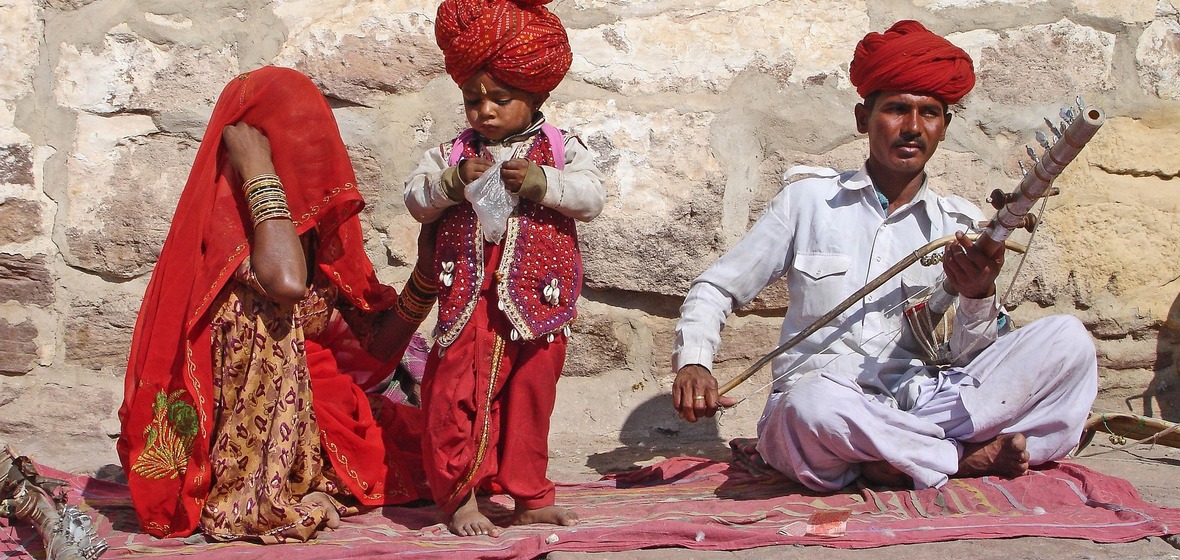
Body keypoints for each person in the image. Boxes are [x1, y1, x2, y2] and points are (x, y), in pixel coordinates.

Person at [671, 20, 1098, 492]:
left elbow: (971, 360)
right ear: (862, 119)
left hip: (921, 403)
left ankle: (891, 457)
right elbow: (717, 287)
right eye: (896, 110)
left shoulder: (959, 222)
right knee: (807, 408)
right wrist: (695, 361)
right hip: (830, 405)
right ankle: (958, 457)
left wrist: (979, 296)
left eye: (929, 113)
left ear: (944, 126)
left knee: (1069, 339)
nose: (913, 128)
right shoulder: (807, 201)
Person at [117, 66, 438, 542]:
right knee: (271, 324)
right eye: (297, 139)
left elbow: (371, 349)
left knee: (448, 448)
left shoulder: (311, 230)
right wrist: (258, 171)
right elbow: (286, 283)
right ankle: (276, 489)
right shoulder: (232, 230)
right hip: (245, 424)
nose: (314, 155)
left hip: (318, 399)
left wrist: (426, 277)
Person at [404, 0, 604, 537]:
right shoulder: (450, 153)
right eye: (474, 100)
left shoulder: (562, 150)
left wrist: (545, 183)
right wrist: (450, 185)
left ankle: (529, 494)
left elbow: (591, 197)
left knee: (531, 395)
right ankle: (460, 497)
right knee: (454, 394)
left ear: (536, 95)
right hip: (469, 298)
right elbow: (416, 200)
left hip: (539, 300)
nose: (485, 111)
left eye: (501, 99)